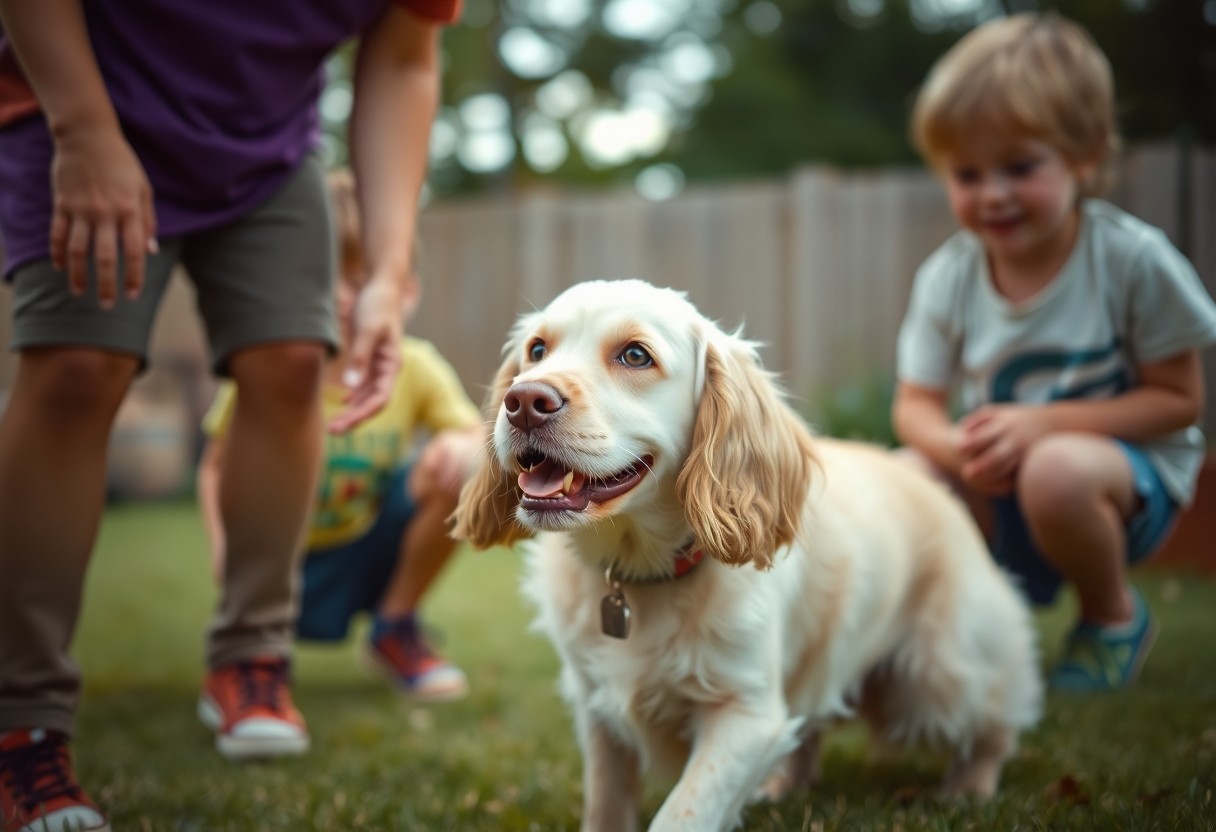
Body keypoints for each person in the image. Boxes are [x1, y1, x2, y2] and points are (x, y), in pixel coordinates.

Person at [0, 1, 461, 830]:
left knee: (290, 363)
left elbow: (403, 60)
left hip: (265, 156)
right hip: (73, 102)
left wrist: (388, 275)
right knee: (76, 366)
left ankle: (250, 661)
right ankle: (21, 720)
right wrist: (84, 131)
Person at [892, 13, 1216, 694]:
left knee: (1055, 468)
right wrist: (960, 452)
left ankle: (1111, 617)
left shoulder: (1131, 259)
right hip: (1000, 477)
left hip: (1119, 484)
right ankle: (946, 640)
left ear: (1085, 155)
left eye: (1020, 167)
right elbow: (915, 406)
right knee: (904, 477)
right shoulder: (949, 275)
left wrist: (1043, 427)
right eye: (968, 173)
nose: (994, 195)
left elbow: (1179, 401)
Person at [198, 170, 483, 703]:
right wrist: (223, 550)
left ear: (407, 293)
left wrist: (464, 443)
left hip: (368, 548)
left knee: (464, 467)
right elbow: (216, 467)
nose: (346, 300)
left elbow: (474, 432)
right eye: (327, 281)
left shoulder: (416, 367)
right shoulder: (268, 370)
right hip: (276, 562)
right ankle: (249, 661)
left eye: (365, 281)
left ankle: (393, 628)